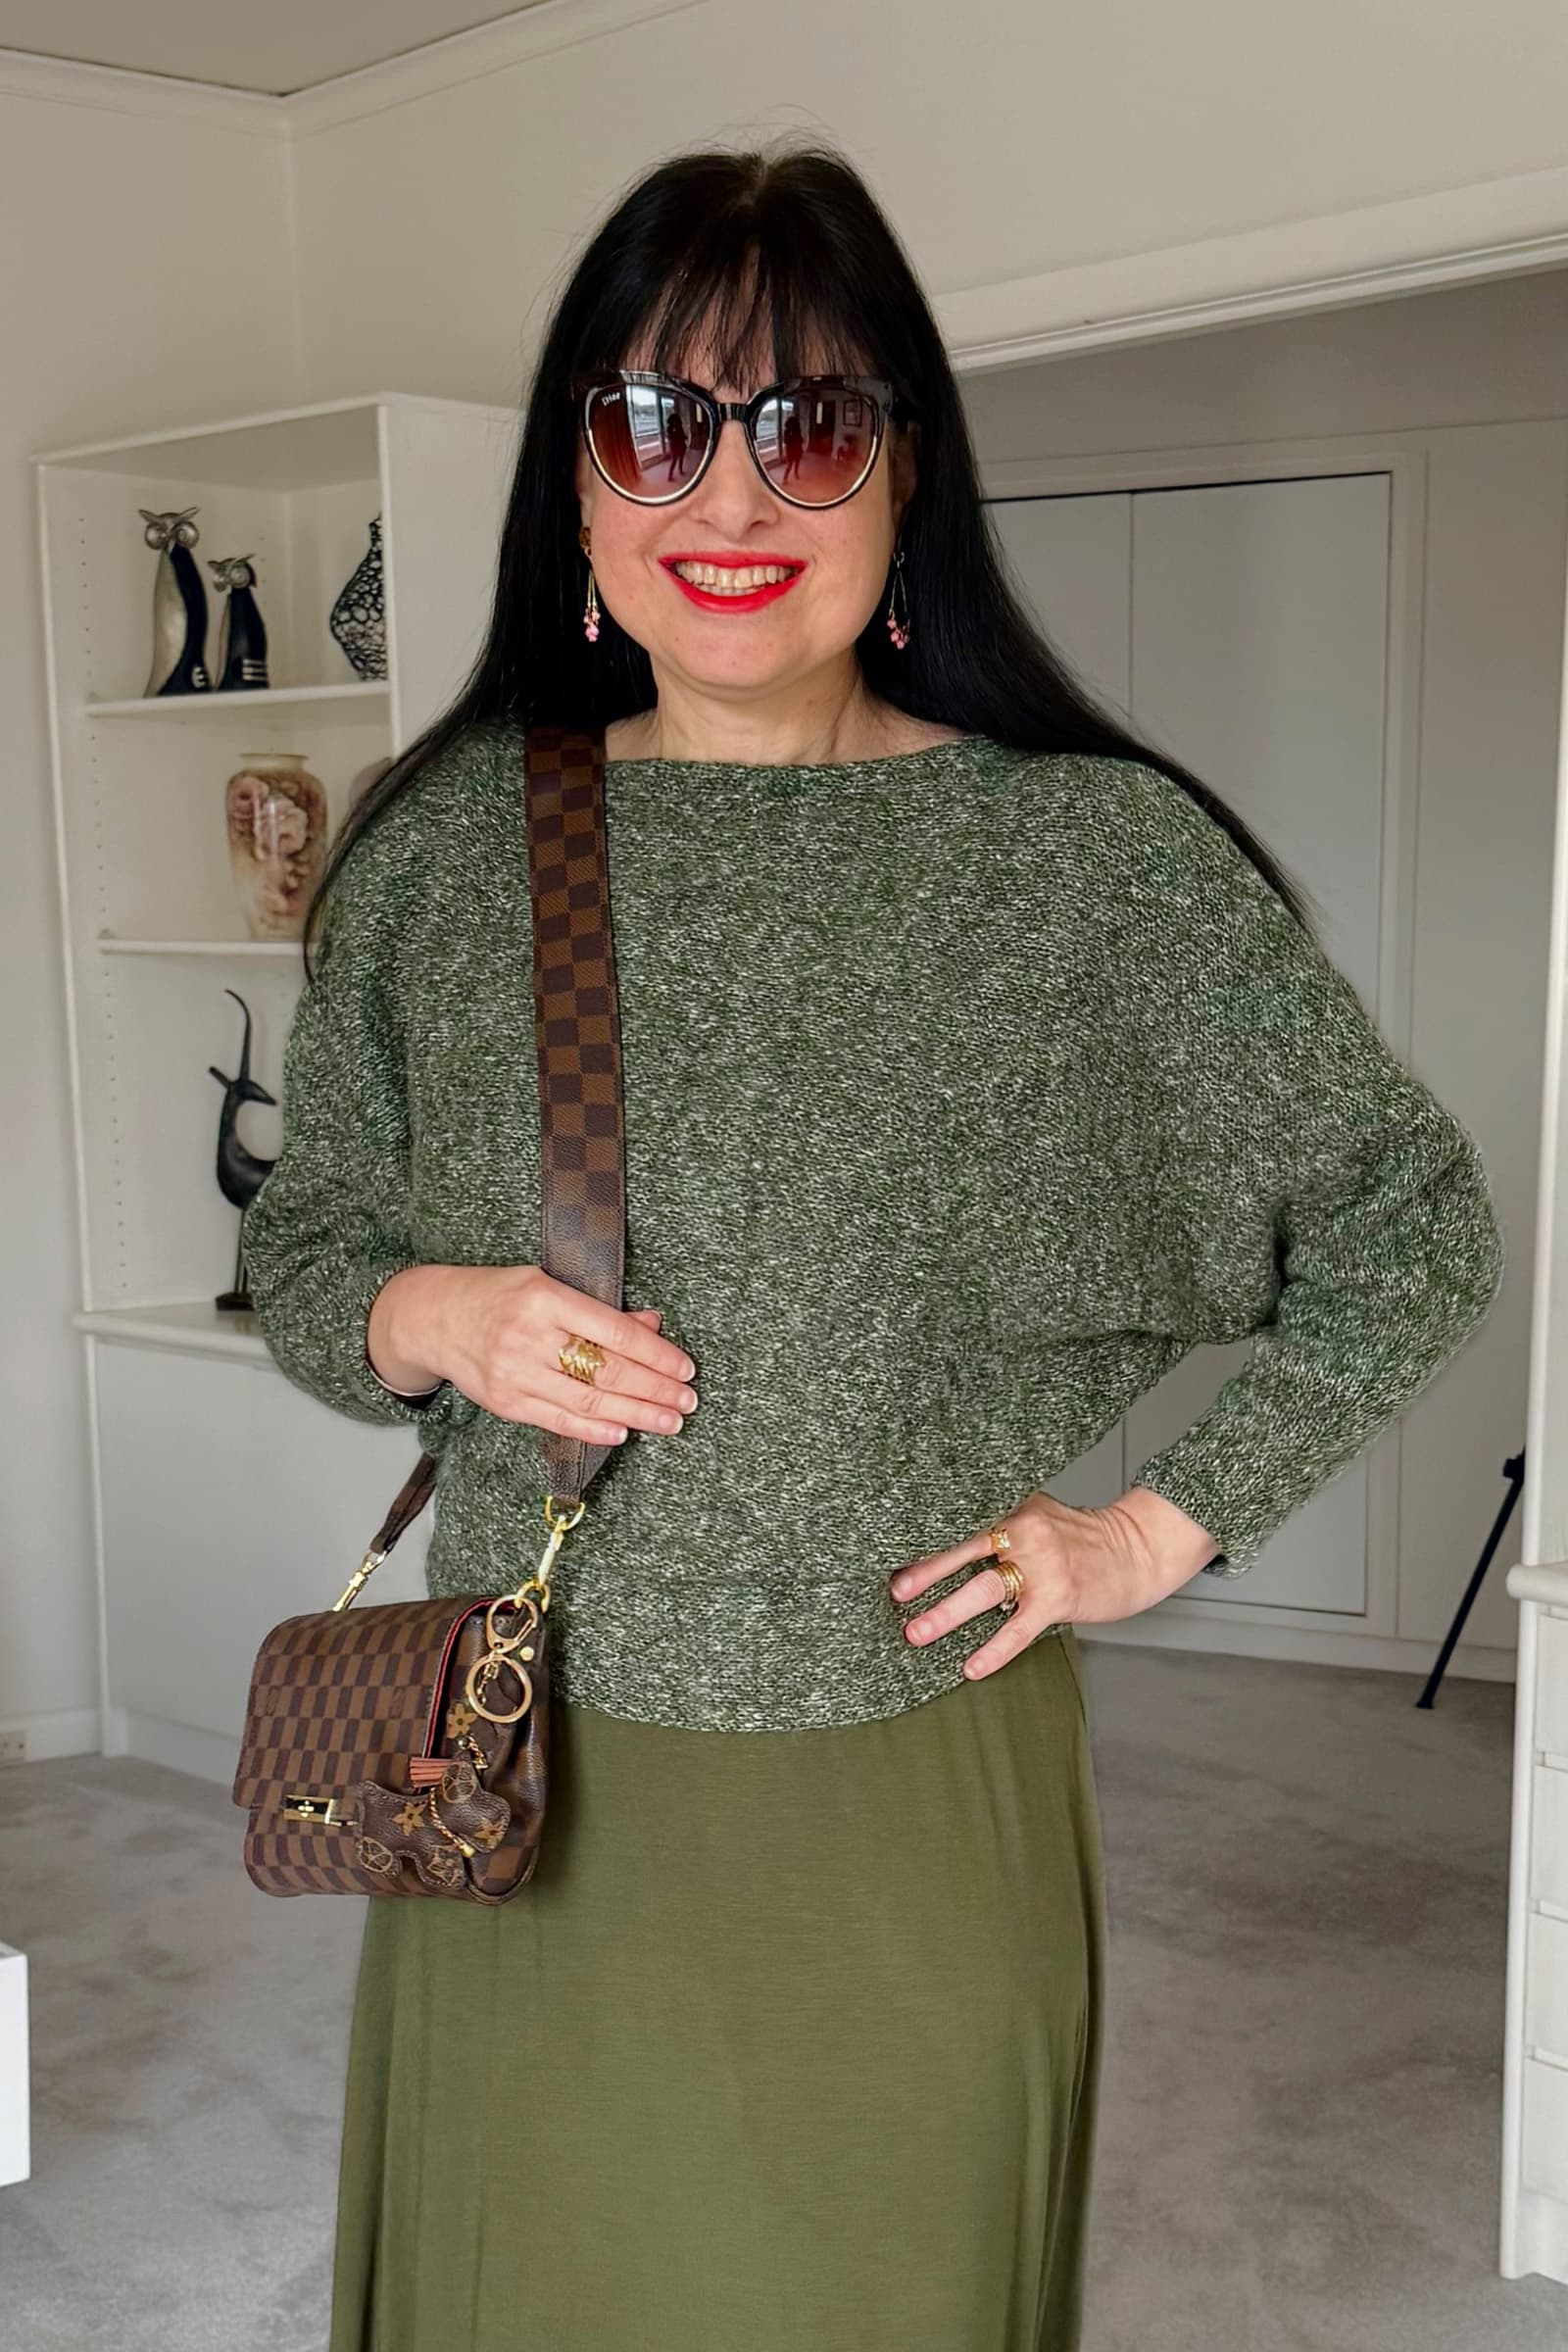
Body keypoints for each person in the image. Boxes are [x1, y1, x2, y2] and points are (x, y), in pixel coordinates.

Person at [240, 138, 1506, 2352]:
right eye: (656, 424)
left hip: (910, 1783)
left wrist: (1155, 1530)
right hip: (526, 1762)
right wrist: (428, 1311)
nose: (729, 497)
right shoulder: (441, 861)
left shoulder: (1093, 866)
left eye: (806, 426)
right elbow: (308, 1249)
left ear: (905, 477)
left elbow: (1410, 1227)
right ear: (576, 485)